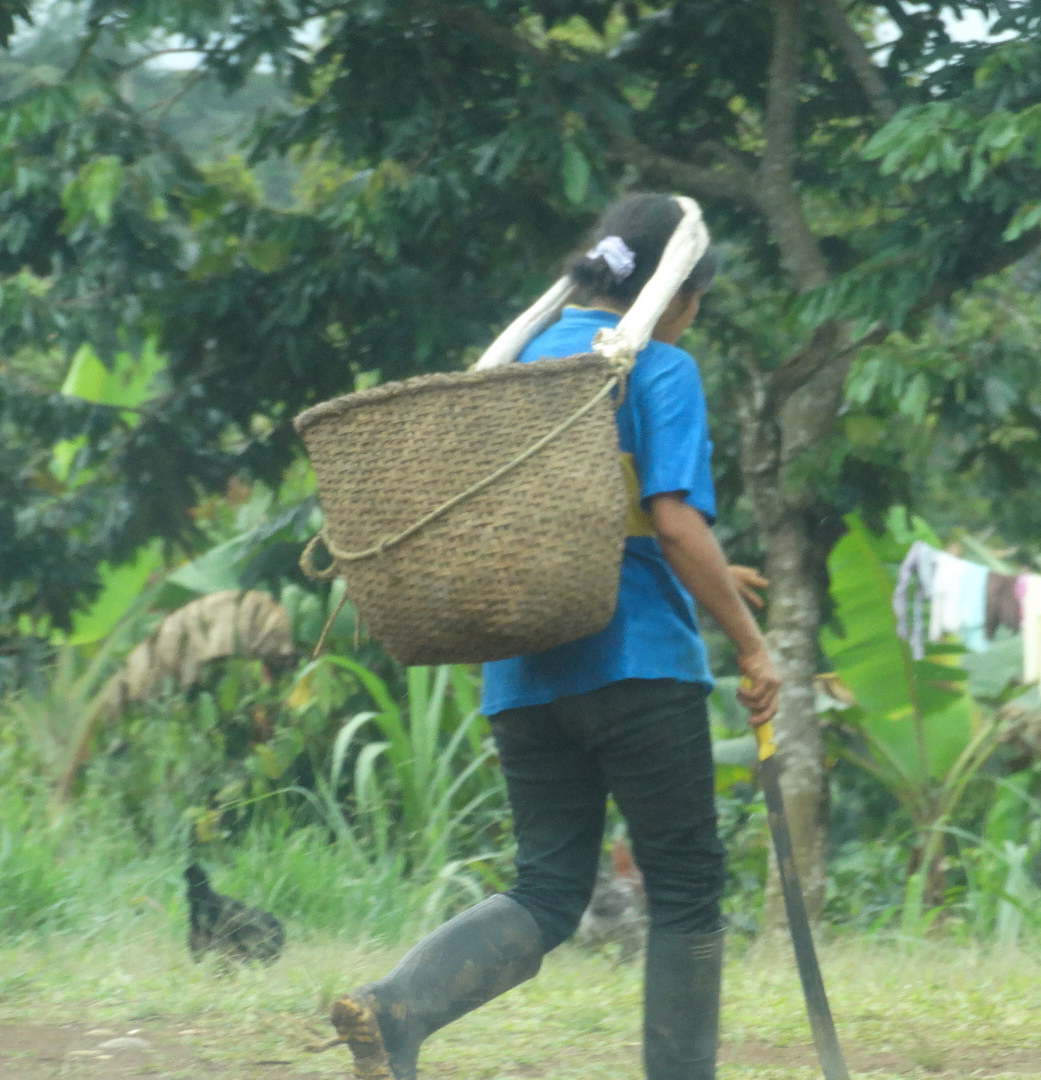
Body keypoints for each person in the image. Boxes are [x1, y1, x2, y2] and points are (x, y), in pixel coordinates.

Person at [330, 193, 781, 1080]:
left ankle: (396, 1007)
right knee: (688, 889)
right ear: (677, 292)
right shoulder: (657, 364)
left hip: (524, 676)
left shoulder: (514, 359)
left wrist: (722, 579)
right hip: (641, 667)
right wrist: (754, 646)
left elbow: (590, 520)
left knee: (546, 887)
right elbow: (676, 523)